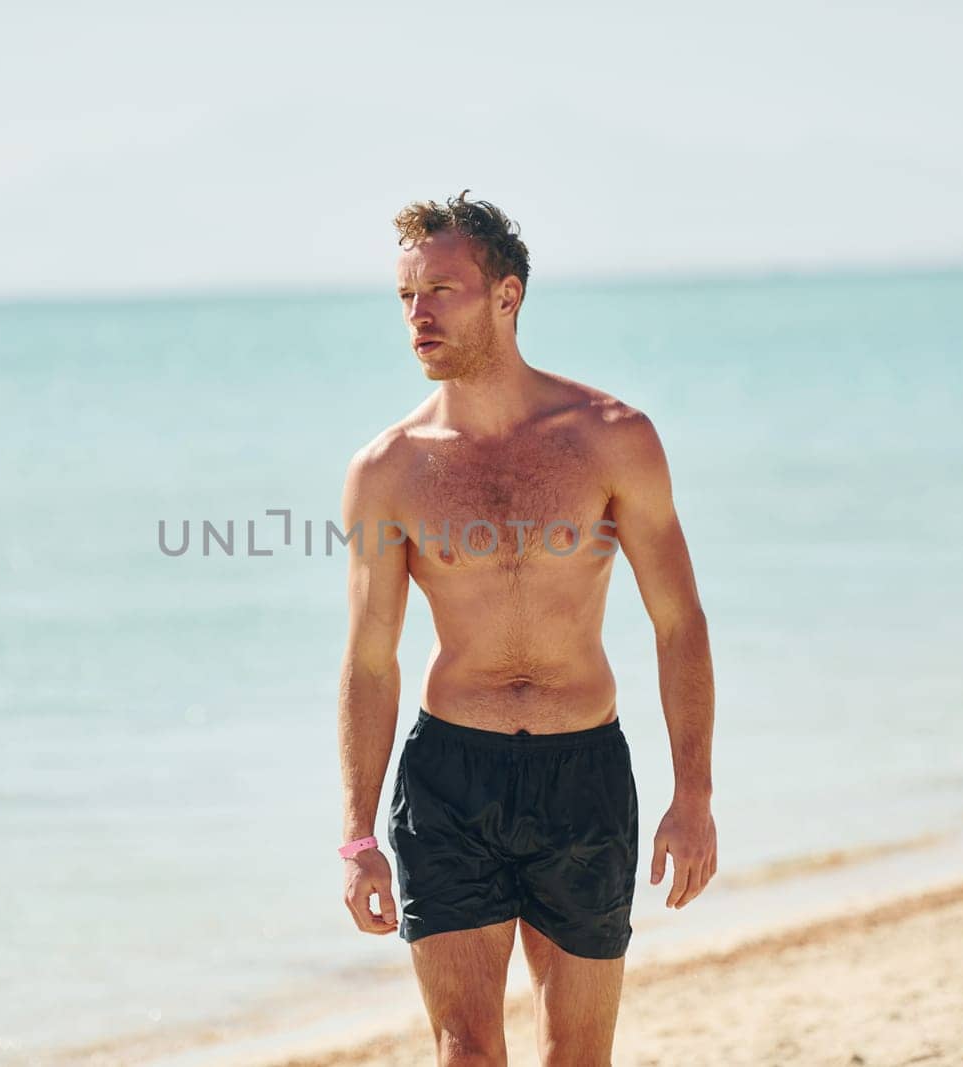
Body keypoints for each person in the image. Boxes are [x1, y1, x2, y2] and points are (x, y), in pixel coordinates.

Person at [336, 191, 717, 1066]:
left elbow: (677, 620)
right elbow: (369, 657)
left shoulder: (613, 439)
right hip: (449, 782)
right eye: (406, 296)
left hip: (581, 772)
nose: (419, 314)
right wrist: (359, 836)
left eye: (441, 289)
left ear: (507, 297)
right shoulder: (386, 471)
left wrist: (693, 794)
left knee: (574, 1056)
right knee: (465, 1052)